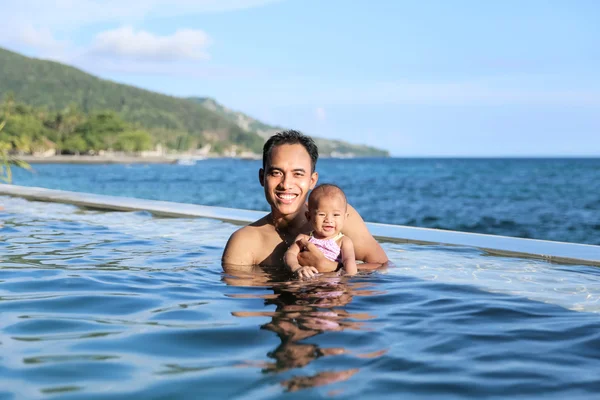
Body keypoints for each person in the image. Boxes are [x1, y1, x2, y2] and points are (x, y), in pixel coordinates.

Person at [221, 130, 388, 273]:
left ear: (312, 180)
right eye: (277, 173)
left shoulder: (338, 217)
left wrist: (330, 267)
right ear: (262, 178)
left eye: (298, 174)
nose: (286, 184)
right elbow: (242, 305)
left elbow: (384, 266)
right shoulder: (245, 242)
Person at [285, 183, 357, 278]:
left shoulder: (343, 241)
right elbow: (290, 254)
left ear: (345, 217)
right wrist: (297, 268)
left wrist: (348, 280)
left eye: (336, 215)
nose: (328, 220)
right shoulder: (304, 238)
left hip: (332, 284)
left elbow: (349, 261)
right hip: (306, 282)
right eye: (322, 214)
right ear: (309, 216)